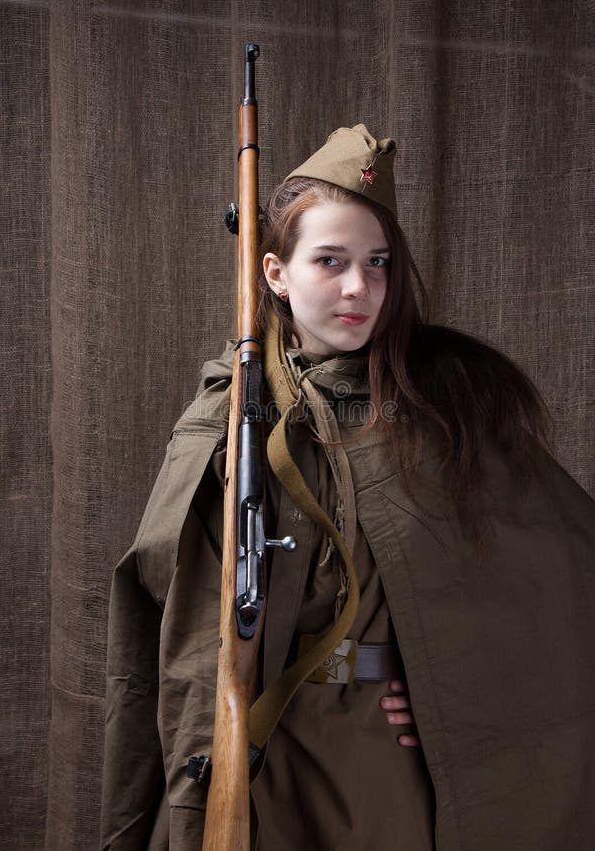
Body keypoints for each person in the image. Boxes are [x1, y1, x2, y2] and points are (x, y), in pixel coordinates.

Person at [101, 126, 595, 851]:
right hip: (266, 751)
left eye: (378, 263)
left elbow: (560, 580)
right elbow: (175, 638)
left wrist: (468, 692)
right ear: (275, 272)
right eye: (330, 261)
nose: (359, 287)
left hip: (389, 765)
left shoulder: (447, 406)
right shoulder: (225, 419)